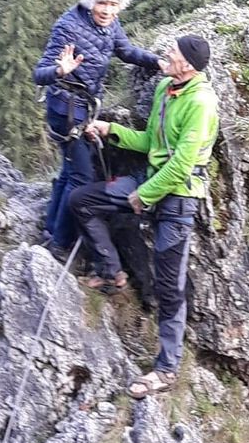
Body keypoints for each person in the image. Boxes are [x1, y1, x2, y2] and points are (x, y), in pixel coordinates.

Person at [69, 35, 219, 399]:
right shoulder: (168, 88)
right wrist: (112, 131)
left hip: (178, 201)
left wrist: (143, 195)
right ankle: (112, 272)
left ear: (188, 64)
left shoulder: (201, 102)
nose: (167, 54)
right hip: (150, 182)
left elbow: (184, 163)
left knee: (169, 287)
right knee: (82, 201)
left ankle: (166, 369)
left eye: (174, 52)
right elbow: (152, 141)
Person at [33, 0, 167, 256]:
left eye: (113, 5)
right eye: (101, 4)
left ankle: (51, 229)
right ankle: (60, 245)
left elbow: (126, 51)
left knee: (70, 172)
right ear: (90, 2)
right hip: (66, 111)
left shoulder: (111, 24)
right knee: (82, 178)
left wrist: (158, 62)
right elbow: (38, 74)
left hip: (82, 108)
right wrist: (59, 70)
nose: (107, 10)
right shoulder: (67, 27)